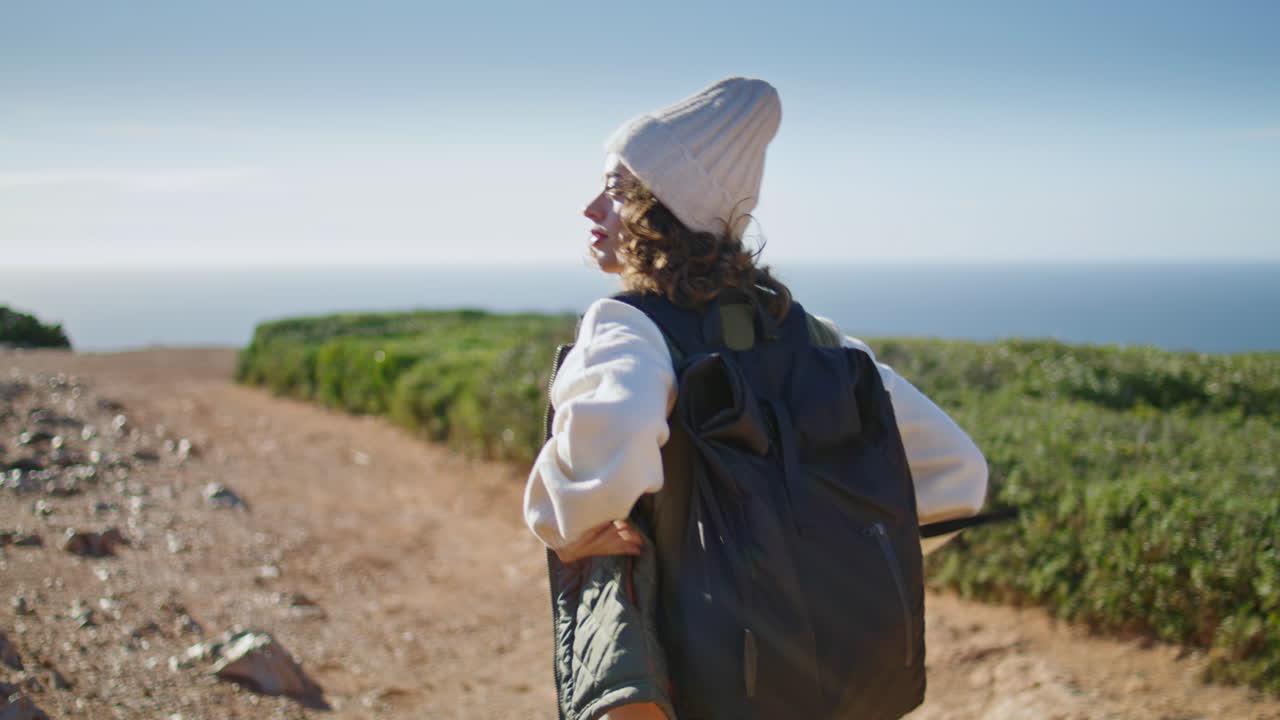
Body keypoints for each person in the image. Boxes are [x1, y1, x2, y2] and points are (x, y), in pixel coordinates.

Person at [524, 77, 988, 720]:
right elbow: (958, 474)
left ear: (663, 209)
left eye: (614, 191)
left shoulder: (630, 324)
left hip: (700, 672)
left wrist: (567, 528)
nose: (590, 210)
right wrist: (839, 547)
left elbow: (614, 436)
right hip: (824, 676)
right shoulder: (815, 336)